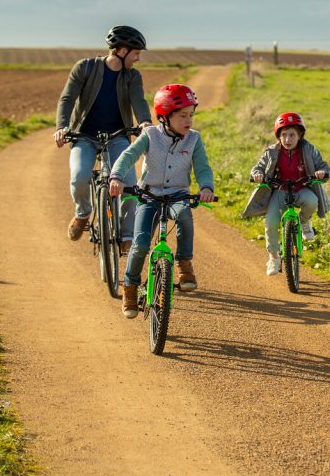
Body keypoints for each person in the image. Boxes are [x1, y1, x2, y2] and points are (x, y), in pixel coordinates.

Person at [108, 84, 215, 318]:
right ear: (164, 117)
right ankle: (130, 286)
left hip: (178, 194)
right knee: (141, 243)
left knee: (184, 216)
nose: (189, 121)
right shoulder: (150, 136)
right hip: (149, 195)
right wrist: (116, 177)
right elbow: (128, 156)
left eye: (191, 115)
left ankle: (184, 264)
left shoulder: (194, 139)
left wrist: (206, 187)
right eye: (182, 116)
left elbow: (203, 167)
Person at [54, 25, 151, 252]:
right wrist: (62, 127)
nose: (137, 58)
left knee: (129, 185)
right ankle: (83, 213)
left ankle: (126, 234)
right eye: (136, 53)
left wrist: (145, 122)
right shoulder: (85, 68)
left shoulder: (132, 77)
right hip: (84, 136)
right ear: (122, 50)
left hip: (118, 136)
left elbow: (139, 101)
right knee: (79, 177)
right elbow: (67, 99)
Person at [242, 112, 330, 275]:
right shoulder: (271, 151)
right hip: (280, 190)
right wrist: (257, 174)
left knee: (312, 201)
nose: (288, 139)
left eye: (292, 135)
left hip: (301, 187)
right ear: (278, 136)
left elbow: (324, 166)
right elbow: (258, 167)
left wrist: (322, 172)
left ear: (300, 136)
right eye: (284, 135)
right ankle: (273, 257)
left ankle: (304, 222)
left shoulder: (309, 149)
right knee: (271, 222)